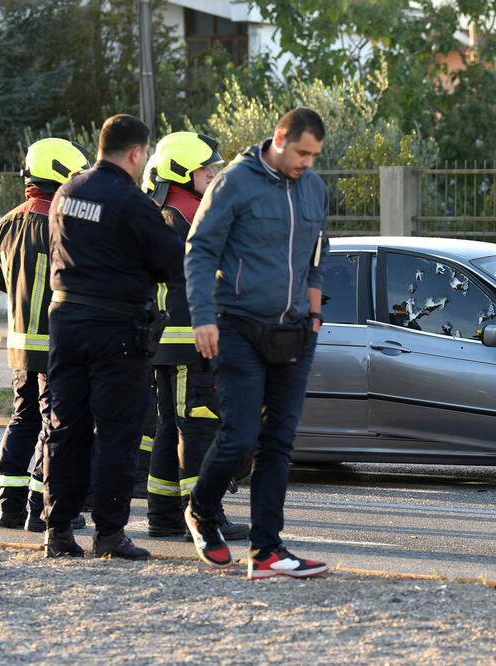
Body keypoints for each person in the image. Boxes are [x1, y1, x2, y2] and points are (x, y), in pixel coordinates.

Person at [184, 107, 329, 578]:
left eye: (315, 155)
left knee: (279, 443)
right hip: (237, 325)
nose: (308, 162)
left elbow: (316, 256)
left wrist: (315, 314)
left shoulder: (314, 187)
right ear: (280, 137)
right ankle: (202, 511)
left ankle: (267, 550)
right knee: (241, 436)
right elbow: (200, 250)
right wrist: (203, 318)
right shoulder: (234, 182)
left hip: (294, 331)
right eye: (303, 152)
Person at [42, 114, 184, 560]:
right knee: (118, 431)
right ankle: (109, 535)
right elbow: (171, 265)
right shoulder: (131, 201)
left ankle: (58, 532)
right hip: (116, 329)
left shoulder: (66, 193)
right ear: (137, 153)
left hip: (65, 321)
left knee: (67, 428)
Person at [143, 131, 249, 541]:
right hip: (193, 339)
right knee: (198, 426)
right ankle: (204, 518)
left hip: (165, 342)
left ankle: (163, 516)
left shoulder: (160, 213)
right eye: (204, 167)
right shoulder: (192, 215)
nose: (210, 172)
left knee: (169, 427)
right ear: (182, 172)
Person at [0, 138, 89, 533]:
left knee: (24, 418)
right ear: (61, 174)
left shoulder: (7, 222)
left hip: (19, 347)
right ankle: (38, 509)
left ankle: (8, 509)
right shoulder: (67, 222)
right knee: (55, 426)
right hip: (58, 343)